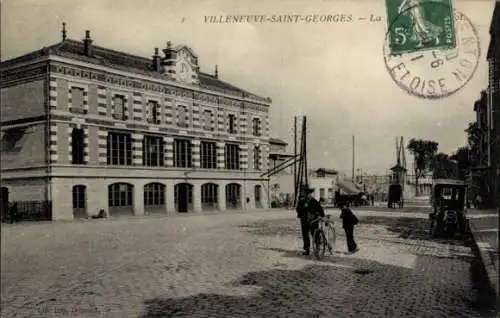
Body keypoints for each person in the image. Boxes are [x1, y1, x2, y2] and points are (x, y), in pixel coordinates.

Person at [296, 186, 325, 255]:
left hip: (313, 221)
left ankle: (317, 248)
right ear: (304, 194)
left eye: (309, 193)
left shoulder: (314, 201)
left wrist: (321, 216)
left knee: (315, 235)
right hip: (304, 221)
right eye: (306, 193)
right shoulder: (301, 202)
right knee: (305, 235)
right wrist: (303, 207)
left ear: (310, 194)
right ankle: (307, 249)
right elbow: (297, 210)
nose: (307, 195)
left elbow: (320, 210)